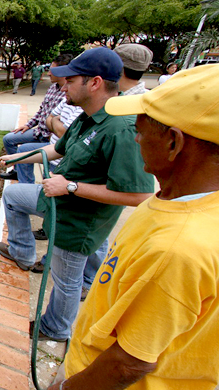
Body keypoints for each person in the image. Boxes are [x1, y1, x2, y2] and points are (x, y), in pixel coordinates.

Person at [50, 64, 219, 390]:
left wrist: (67, 387)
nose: (135, 138)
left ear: (174, 142)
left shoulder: (177, 248)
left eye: (140, 131)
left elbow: (129, 363)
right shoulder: (176, 202)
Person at [0, 47, 155, 342]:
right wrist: (16, 159)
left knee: (66, 281)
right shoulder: (88, 116)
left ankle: (56, 328)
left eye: (70, 81)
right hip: (59, 204)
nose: (62, 86)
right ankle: (23, 253)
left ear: (94, 83)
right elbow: (57, 149)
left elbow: (140, 196)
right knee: (13, 198)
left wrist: (70, 186)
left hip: (79, 223)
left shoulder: (121, 128)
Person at [0, 54, 73, 182]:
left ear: (63, 71)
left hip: (50, 138)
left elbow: (60, 126)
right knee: (9, 139)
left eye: (52, 70)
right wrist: (28, 125)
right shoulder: (52, 88)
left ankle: (25, 184)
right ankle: (17, 170)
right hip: (39, 131)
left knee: (24, 150)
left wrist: (52, 123)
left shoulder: (70, 94)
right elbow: (42, 111)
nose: (48, 73)